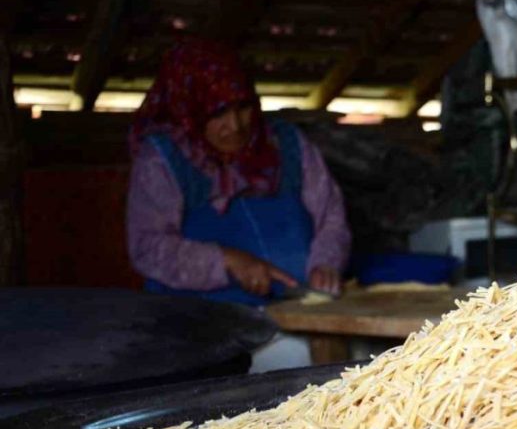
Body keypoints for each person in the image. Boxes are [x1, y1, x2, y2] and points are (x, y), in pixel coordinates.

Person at [126, 38, 350, 307]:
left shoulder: (287, 144)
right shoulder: (161, 160)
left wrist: (325, 264)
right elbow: (147, 247)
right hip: (198, 319)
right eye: (217, 113)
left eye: (243, 107)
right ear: (188, 110)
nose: (235, 126)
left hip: (298, 307)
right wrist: (225, 262)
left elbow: (330, 218)